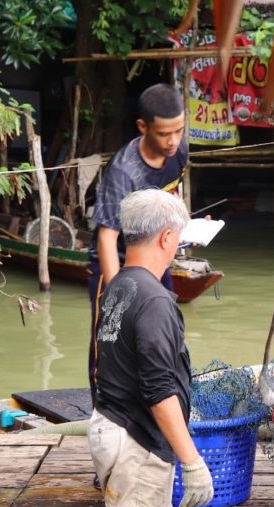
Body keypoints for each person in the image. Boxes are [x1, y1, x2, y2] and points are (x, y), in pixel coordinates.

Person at [88, 188, 214, 507]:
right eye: (179, 238)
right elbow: (161, 392)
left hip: (115, 425)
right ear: (167, 237)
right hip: (135, 439)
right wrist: (193, 461)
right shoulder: (156, 300)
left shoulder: (118, 283)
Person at [88, 83, 188, 394]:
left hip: (157, 257)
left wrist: (185, 226)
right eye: (164, 134)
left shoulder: (180, 149)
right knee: (111, 341)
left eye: (179, 131)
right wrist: (120, 294)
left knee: (168, 332)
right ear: (143, 127)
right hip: (119, 262)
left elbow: (171, 194)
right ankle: (106, 411)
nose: (173, 142)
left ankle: (163, 405)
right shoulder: (123, 172)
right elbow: (107, 236)